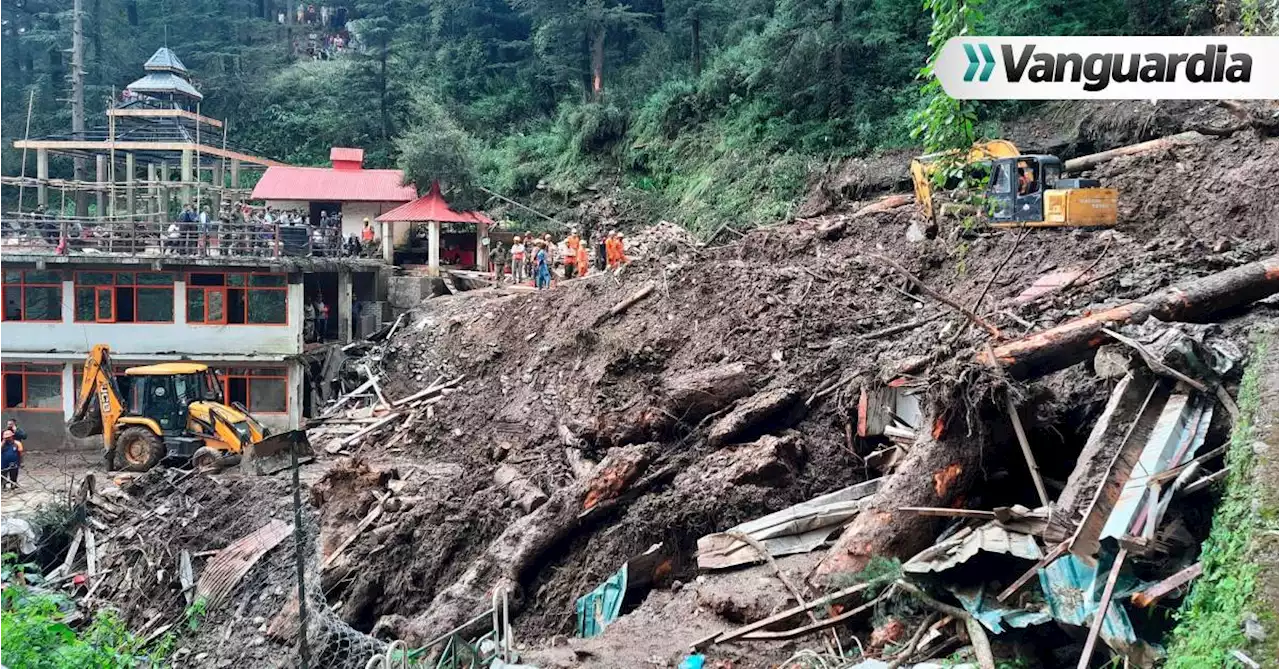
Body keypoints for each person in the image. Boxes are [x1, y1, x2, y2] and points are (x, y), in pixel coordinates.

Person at [0, 426, 22, 490]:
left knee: (14, 475)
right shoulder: (2, 444)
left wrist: (20, 462)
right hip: (3, 463)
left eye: (8, 437)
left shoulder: (17, 443)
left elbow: (20, 453)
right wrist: (2, 443)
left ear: (12, 436)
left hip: (14, 462)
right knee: (3, 475)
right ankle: (2, 486)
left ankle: (13, 485)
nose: (7, 439)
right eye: (6, 438)